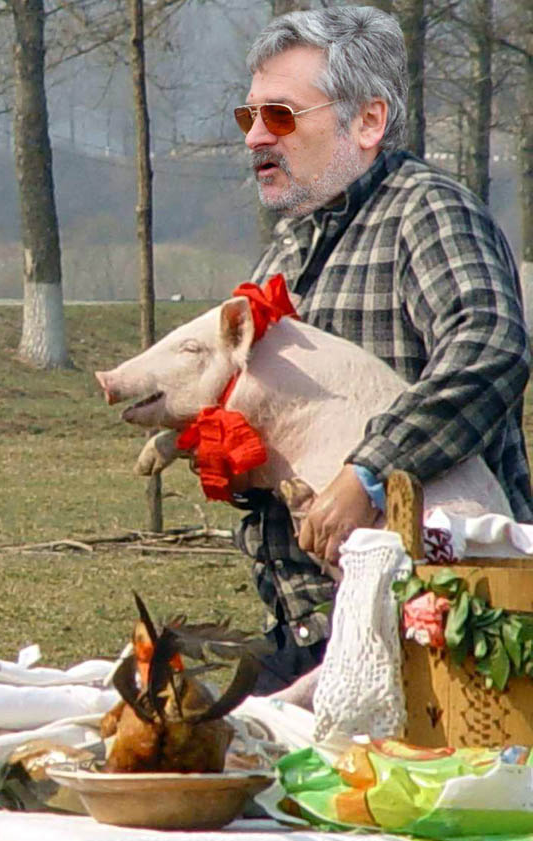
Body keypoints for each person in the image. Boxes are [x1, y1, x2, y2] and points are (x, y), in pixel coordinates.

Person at [231, 5, 533, 695]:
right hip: (313, 631)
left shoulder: (427, 211)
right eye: (248, 116)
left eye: (279, 115)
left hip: (442, 636)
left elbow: (488, 346)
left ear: (367, 122)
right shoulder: (285, 250)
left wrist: (369, 473)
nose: (254, 137)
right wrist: (234, 454)